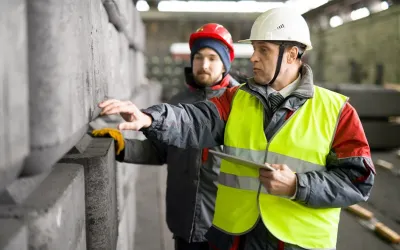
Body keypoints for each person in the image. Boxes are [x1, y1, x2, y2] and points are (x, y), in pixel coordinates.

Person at [98, 7, 375, 250]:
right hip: (236, 238)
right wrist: (150, 118)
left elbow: (358, 180)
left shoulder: (337, 112)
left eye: (263, 50)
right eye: (254, 49)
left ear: (292, 55)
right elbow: (195, 119)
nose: (253, 58)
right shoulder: (237, 99)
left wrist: (297, 186)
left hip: (296, 244)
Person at [92, 23, 239, 250]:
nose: (204, 65)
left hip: (226, 230)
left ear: (225, 64)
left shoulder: (241, 105)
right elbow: (162, 151)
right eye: (198, 57)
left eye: (212, 57)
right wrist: (123, 147)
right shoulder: (177, 102)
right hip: (184, 225)